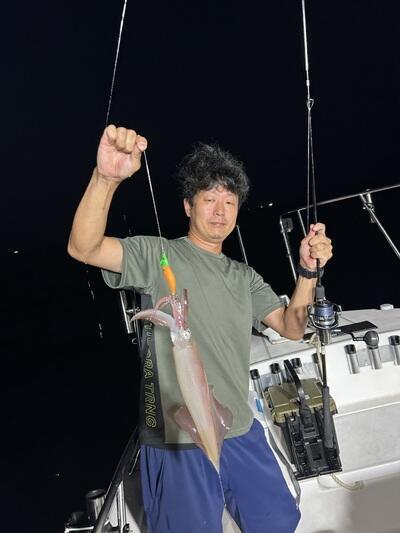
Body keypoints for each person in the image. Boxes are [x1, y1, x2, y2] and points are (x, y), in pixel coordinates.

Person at [68, 125, 333, 533]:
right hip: (176, 440)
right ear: (188, 206)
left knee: (278, 521)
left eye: (230, 202)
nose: (220, 211)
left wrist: (307, 272)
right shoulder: (158, 255)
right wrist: (106, 178)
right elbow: (83, 247)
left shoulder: (244, 276)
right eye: (210, 199)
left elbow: (292, 327)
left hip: (237, 429)